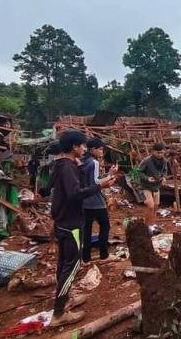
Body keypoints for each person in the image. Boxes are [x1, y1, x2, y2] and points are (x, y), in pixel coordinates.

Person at [49, 131, 108, 327]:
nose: (84, 149)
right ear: (74, 147)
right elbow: (75, 194)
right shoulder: (67, 167)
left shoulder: (63, 164)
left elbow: (69, 189)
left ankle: (66, 297)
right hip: (71, 223)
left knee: (63, 263)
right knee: (72, 265)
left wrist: (81, 168)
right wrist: (100, 186)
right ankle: (59, 314)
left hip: (63, 220)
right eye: (82, 146)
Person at [80, 138, 117, 262]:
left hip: (83, 200)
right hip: (95, 200)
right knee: (105, 226)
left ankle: (85, 258)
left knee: (86, 229)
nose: (102, 151)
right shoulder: (94, 162)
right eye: (100, 149)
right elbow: (96, 182)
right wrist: (110, 175)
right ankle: (104, 255)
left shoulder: (81, 160)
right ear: (92, 149)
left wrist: (108, 174)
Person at [139, 143, 168, 235]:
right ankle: (146, 226)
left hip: (156, 186)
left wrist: (164, 177)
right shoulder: (147, 161)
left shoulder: (164, 161)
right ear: (153, 152)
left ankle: (152, 224)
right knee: (150, 206)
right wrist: (147, 178)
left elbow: (165, 171)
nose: (160, 154)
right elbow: (138, 172)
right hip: (146, 186)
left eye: (162, 152)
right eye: (158, 152)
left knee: (155, 206)